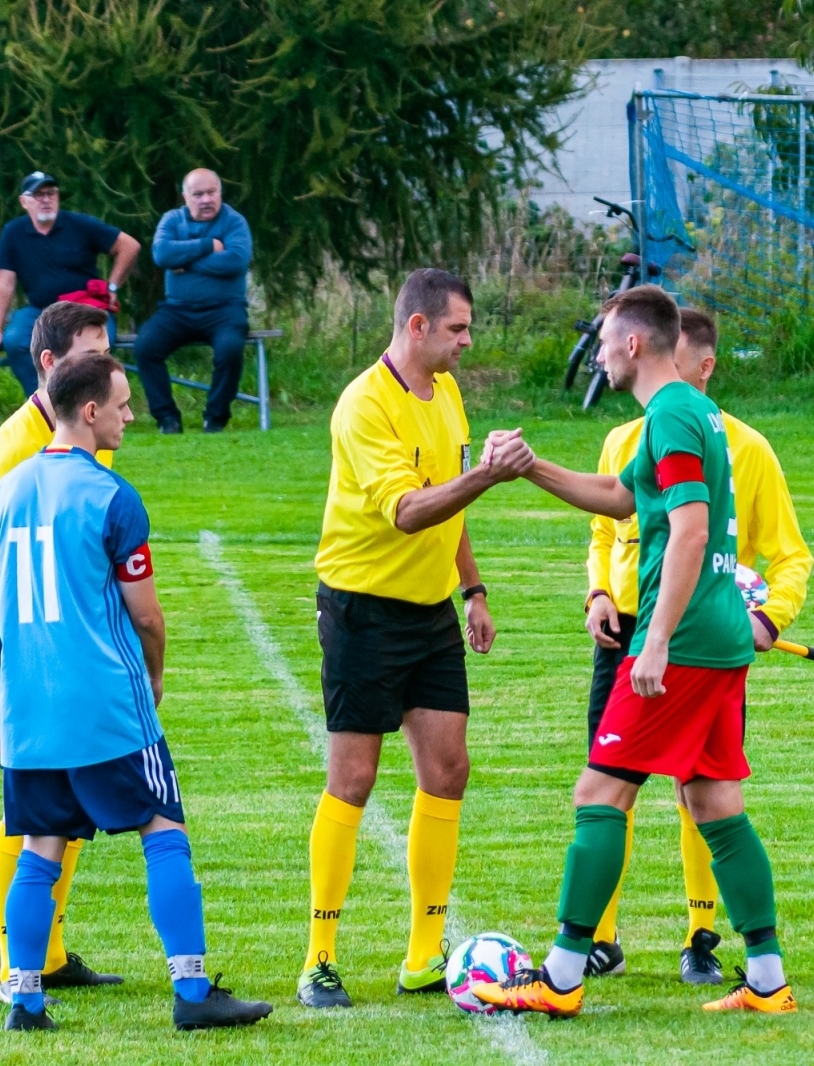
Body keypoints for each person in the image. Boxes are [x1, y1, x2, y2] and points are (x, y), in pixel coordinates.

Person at [470, 285, 796, 1018]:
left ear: (635, 344)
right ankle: (768, 980)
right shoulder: (686, 412)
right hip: (716, 639)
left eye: (605, 341)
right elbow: (622, 496)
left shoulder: (675, 414)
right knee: (713, 802)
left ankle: (558, 978)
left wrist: (651, 643)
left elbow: (687, 529)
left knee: (599, 793)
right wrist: (531, 467)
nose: (600, 355)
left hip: (681, 644)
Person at [0, 352, 272, 1032]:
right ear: (91, 410)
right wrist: (154, 674)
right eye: (124, 404)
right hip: (104, 702)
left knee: (42, 846)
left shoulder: (5, 492)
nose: (132, 415)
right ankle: (192, 995)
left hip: (30, 710)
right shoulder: (111, 495)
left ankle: (23, 999)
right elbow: (147, 614)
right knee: (164, 830)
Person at [297, 268, 534, 1009]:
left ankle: (425, 955)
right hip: (362, 610)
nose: (468, 341)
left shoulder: (451, 393)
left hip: (431, 611)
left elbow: (448, 500)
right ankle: (319, 959)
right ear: (418, 326)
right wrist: (491, 478)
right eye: (459, 328)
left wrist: (473, 589)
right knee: (355, 780)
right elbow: (408, 511)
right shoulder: (365, 406)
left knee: (448, 770)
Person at [581, 307, 812, 985]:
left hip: (683, 640)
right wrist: (597, 593)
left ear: (698, 365)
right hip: (627, 630)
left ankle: (696, 935)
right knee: (628, 785)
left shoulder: (735, 441)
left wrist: (769, 618)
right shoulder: (628, 435)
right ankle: (599, 939)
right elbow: (608, 523)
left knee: (673, 790)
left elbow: (785, 553)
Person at [0, 301, 122, 1003]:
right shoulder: (15, 447)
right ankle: (18, 954)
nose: (110, 366)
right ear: (54, 365)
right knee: (30, 806)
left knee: (66, 805)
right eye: (96, 353)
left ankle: (48, 953)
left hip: (71, 639)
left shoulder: (88, 429)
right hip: (32, 642)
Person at [0, 172, 140, 397]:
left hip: (84, 309)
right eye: (38, 195)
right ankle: (44, 403)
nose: (46, 199)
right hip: (39, 310)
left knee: (93, 348)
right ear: (24, 202)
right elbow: (5, 283)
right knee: (15, 340)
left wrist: (112, 287)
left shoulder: (79, 224)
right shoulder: (13, 232)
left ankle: (86, 407)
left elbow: (129, 246)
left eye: (51, 193)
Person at [133, 169, 254, 434]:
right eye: (198, 194)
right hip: (177, 310)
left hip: (225, 310)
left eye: (211, 192)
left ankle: (215, 418)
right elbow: (163, 254)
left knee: (230, 349)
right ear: (185, 197)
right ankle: (167, 419)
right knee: (146, 347)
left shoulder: (234, 222)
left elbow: (236, 261)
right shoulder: (172, 220)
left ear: (220, 193)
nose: (206, 200)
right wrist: (209, 245)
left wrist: (185, 262)